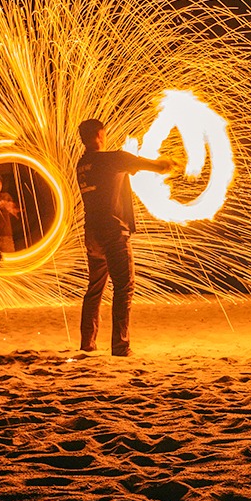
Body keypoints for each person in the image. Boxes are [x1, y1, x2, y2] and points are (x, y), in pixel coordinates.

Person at [76, 118, 175, 357]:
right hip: (113, 232)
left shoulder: (82, 164)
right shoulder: (112, 159)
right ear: (100, 134)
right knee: (124, 287)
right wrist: (165, 164)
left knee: (95, 288)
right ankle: (120, 346)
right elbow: (151, 165)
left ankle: (88, 342)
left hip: (92, 233)